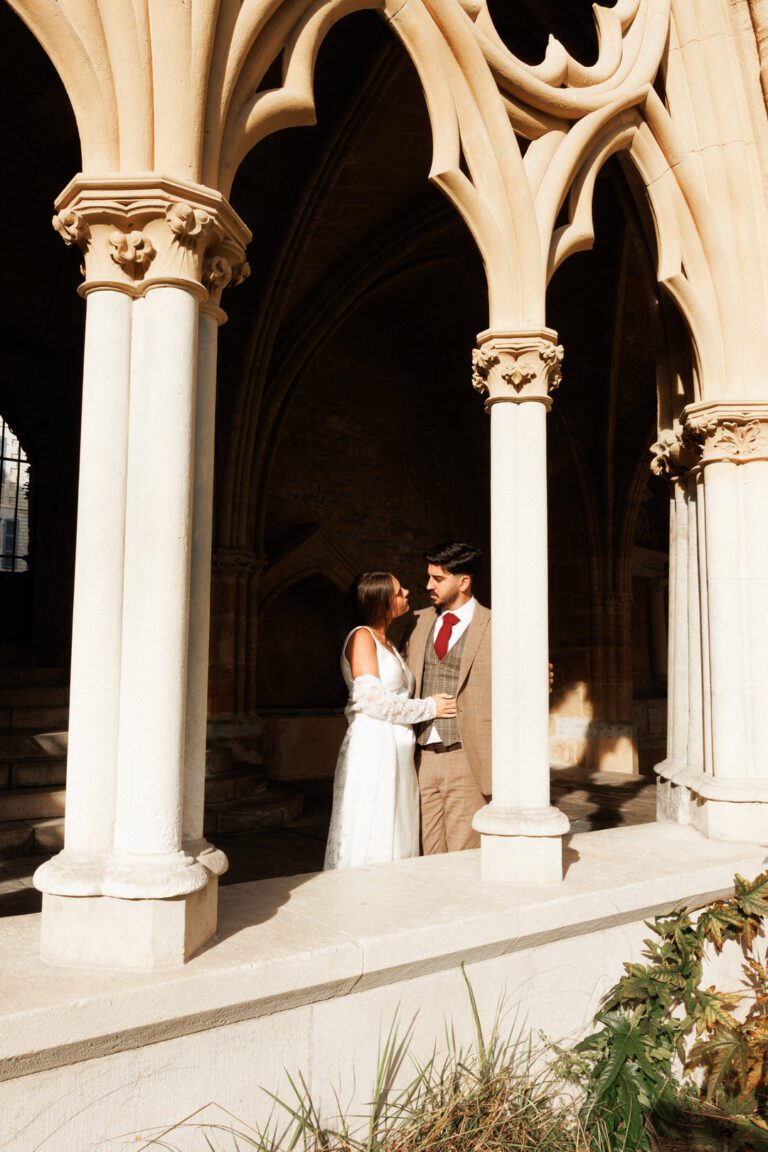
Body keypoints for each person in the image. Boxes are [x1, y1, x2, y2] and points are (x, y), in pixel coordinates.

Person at [324, 571, 456, 870]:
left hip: (398, 748)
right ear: (381, 602)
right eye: (398, 592)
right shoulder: (361, 637)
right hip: (374, 746)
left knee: (398, 827)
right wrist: (429, 708)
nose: (407, 592)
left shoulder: (390, 643)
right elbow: (370, 701)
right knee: (376, 826)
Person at [404, 542, 491, 854]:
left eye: (438, 578)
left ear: (463, 581)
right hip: (421, 757)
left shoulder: (495, 626)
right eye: (429, 576)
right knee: (424, 853)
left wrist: (542, 679)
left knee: (463, 855)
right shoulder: (416, 622)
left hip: (467, 758)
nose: (428, 585)